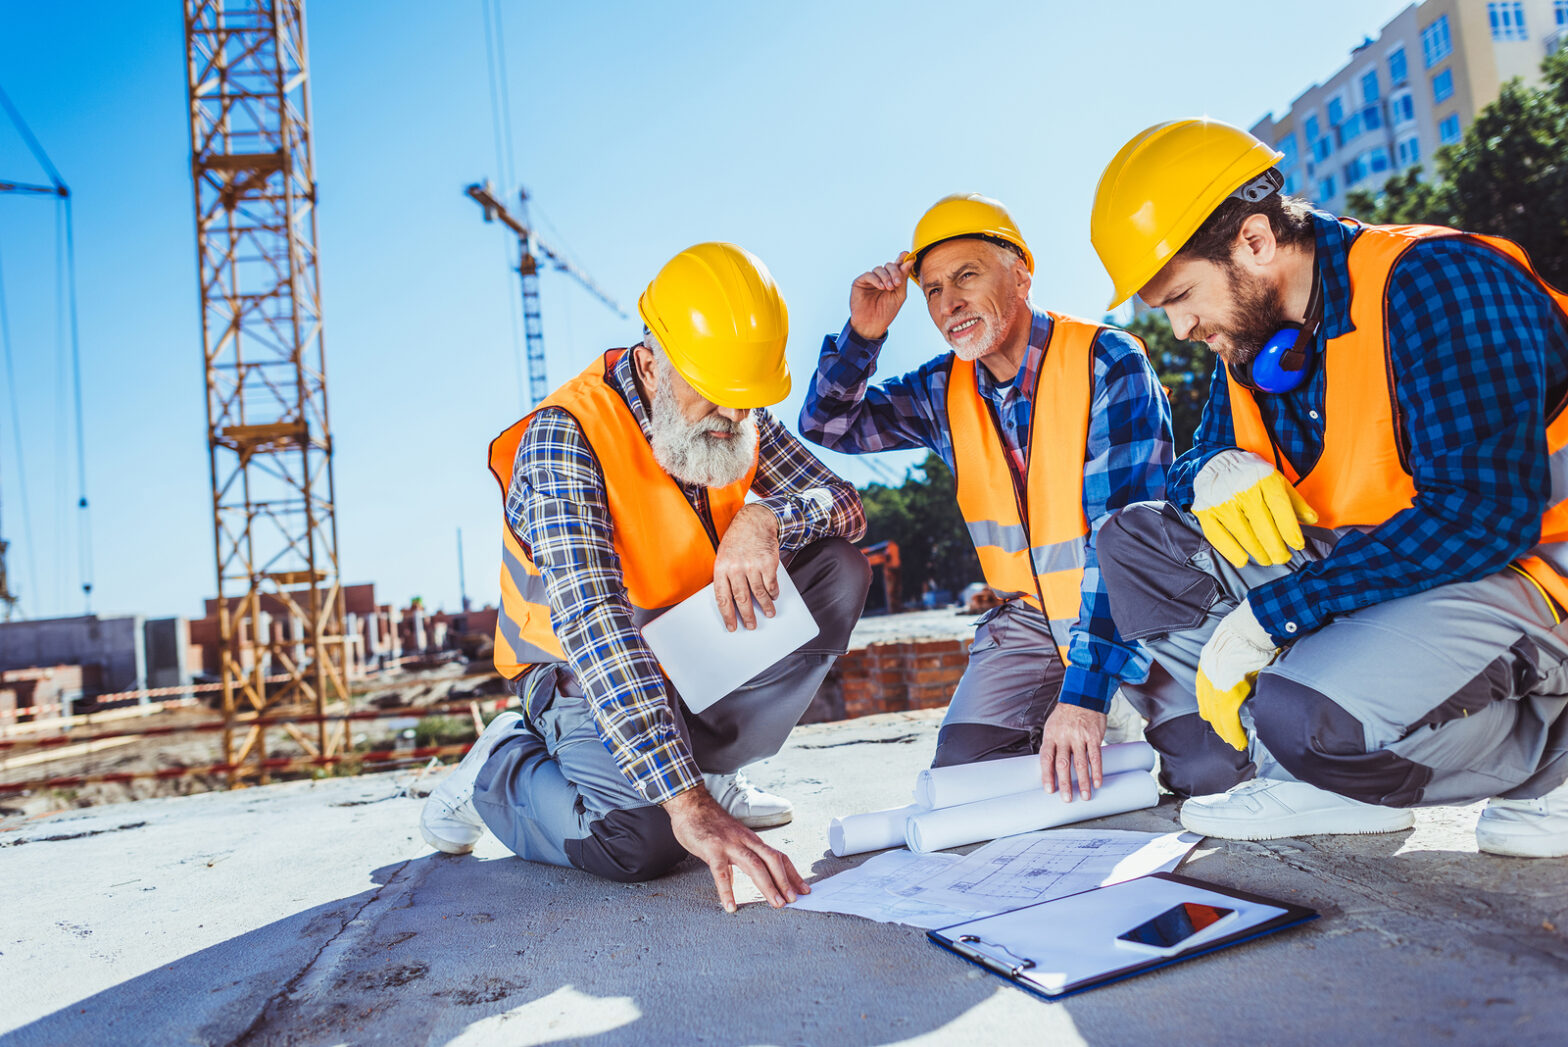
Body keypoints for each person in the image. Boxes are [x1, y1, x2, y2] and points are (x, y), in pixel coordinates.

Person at [1090, 118, 1568, 856]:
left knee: (1307, 716)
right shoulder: (1256, 338)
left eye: (1182, 295)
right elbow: (1199, 454)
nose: (1181, 328)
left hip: (1529, 572)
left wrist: (1273, 615)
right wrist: (1213, 469)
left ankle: (1550, 759)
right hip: (1407, 570)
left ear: (1255, 241)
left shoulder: (1438, 282)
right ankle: (1299, 776)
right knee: (1136, 540)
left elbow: (1482, 515)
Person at [421, 242, 871, 910]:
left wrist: (768, 517)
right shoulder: (565, 439)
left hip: (678, 650)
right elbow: (598, 629)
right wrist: (685, 804)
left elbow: (846, 507)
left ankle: (711, 768)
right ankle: (502, 764)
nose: (733, 419)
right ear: (652, 362)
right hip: (575, 672)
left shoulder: (734, 406)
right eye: (715, 397)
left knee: (836, 570)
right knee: (641, 841)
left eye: (746, 402)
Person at [799, 194, 1237, 803]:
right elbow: (827, 424)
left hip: (1140, 607)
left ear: (1022, 276)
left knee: (1213, 777)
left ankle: (1119, 717)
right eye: (932, 290)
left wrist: (1083, 699)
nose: (948, 303)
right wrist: (863, 334)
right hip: (1031, 620)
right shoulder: (939, 389)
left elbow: (1121, 542)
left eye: (966, 276)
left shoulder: (1108, 362)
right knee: (966, 783)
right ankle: (1098, 734)